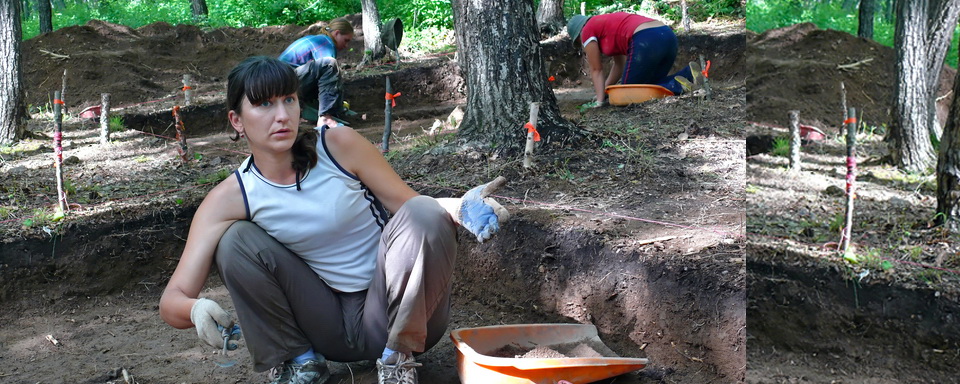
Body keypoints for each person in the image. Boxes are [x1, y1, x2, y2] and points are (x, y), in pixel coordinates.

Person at [159, 56, 508, 384]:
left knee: (423, 212)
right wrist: (195, 309)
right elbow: (172, 298)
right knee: (234, 241)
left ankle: (397, 360)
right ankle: (300, 363)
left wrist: (461, 207)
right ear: (237, 120)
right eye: (264, 104)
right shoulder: (231, 197)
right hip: (326, 325)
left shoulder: (338, 145)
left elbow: (414, 207)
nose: (282, 115)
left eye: (289, 100)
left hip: (396, 313)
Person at [567, 12, 701, 107]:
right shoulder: (603, 24)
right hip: (667, 36)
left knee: (625, 95)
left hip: (646, 39)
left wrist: (600, 101)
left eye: (580, 43)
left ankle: (676, 85)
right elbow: (619, 65)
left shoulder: (586, 31)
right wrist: (605, 91)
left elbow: (596, 69)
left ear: (578, 34)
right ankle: (687, 75)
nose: (583, 45)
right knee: (648, 85)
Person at [278, 18, 354, 128]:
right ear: (337, 33)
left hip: (279, 81)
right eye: (346, 40)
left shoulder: (316, 39)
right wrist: (338, 103)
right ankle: (326, 118)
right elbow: (330, 73)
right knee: (329, 64)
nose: (347, 45)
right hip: (285, 82)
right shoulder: (326, 42)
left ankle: (306, 110)